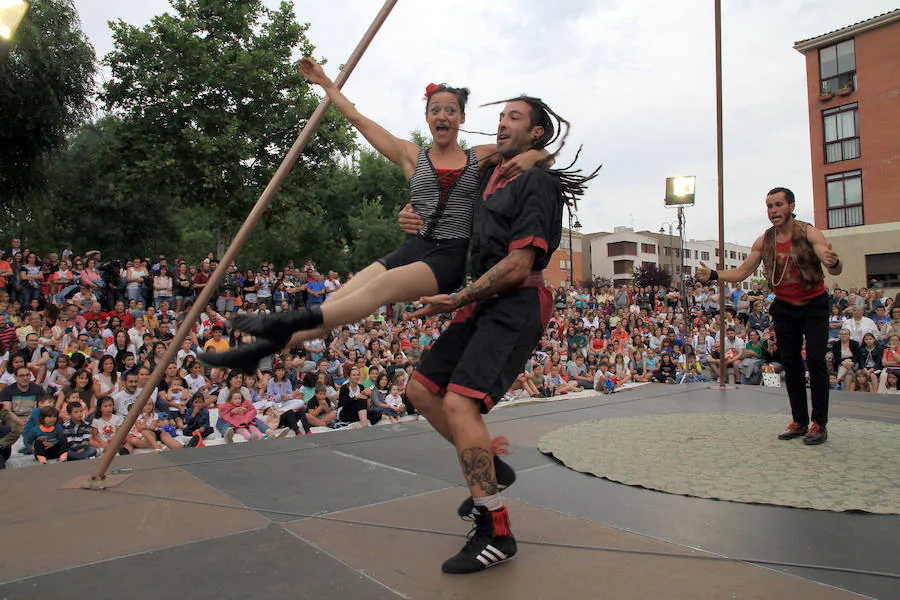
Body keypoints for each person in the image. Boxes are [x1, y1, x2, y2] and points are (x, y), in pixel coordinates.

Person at [201, 59, 546, 372]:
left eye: (451, 110)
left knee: (379, 289)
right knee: (338, 302)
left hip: (447, 257)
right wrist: (325, 82)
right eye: (435, 110)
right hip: (414, 248)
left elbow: (532, 146)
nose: (443, 116)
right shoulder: (411, 155)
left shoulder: (482, 157)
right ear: (427, 117)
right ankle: (254, 353)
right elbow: (357, 119)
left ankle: (283, 320)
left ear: (462, 119)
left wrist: (535, 156)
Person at [403, 96, 597, 574]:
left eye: (514, 118)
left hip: (515, 299)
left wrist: (458, 298)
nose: (502, 124)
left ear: (535, 133)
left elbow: (518, 265)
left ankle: (497, 530)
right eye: (501, 117)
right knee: (420, 391)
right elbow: (441, 180)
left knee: (459, 403)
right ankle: (491, 469)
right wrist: (413, 216)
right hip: (482, 301)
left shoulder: (536, 180)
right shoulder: (489, 167)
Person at [696, 187, 841, 445]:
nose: (773, 210)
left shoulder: (808, 232)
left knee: (817, 360)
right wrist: (714, 275)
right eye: (769, 206)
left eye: (778, 205)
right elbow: (742, 272)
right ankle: (799, 421)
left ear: (791, 206)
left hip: (813, 304)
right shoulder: (764, 240)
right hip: (785, 305)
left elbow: (827, 258)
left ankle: (819, 423)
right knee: (792, 362)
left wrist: (832, 262)